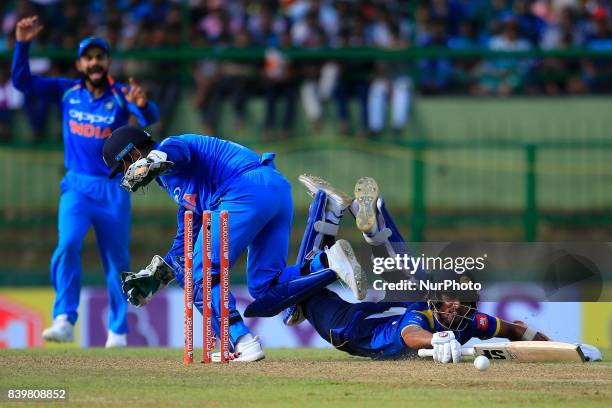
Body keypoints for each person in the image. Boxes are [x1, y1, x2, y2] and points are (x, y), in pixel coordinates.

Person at [102, 126, 366, 362]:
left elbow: (176, 151)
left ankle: (241, 342)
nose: (125, 175)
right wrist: (157, 277)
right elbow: (186, 240)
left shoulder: (171, 147)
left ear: (133, 154)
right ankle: (330, 261)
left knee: (201, 275)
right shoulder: (173, 185)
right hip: (273, 190)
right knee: (265, 285)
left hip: (243, 189)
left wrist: (152, 160)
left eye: (123, 167)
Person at [271, 176, 555, 361]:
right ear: (438, 300)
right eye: (450, 297)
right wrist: (437, 339)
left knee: (414, 281)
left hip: (365, 320)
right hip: (347, 327)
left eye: (463, 300)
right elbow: (410, 334)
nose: (456, 306)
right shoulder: (421, 318)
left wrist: (554, 347)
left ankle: (368, 225)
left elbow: (514, 330)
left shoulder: (472, 321)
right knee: (299, 294)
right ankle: (333, 211)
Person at [11, 16, 160, 347]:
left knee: (116, 262)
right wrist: (22, 44)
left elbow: (151, 116)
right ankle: (64, 318)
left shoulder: (122, 95)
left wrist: (143, 105)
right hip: (77, 186)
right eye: (88, 58)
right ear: (80, 64)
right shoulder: (67, 92)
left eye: (100, 57)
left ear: (107, 62)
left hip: (112, 189)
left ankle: (118, 331)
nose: (94, 62)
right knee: (67, 244)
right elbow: (22, 83)